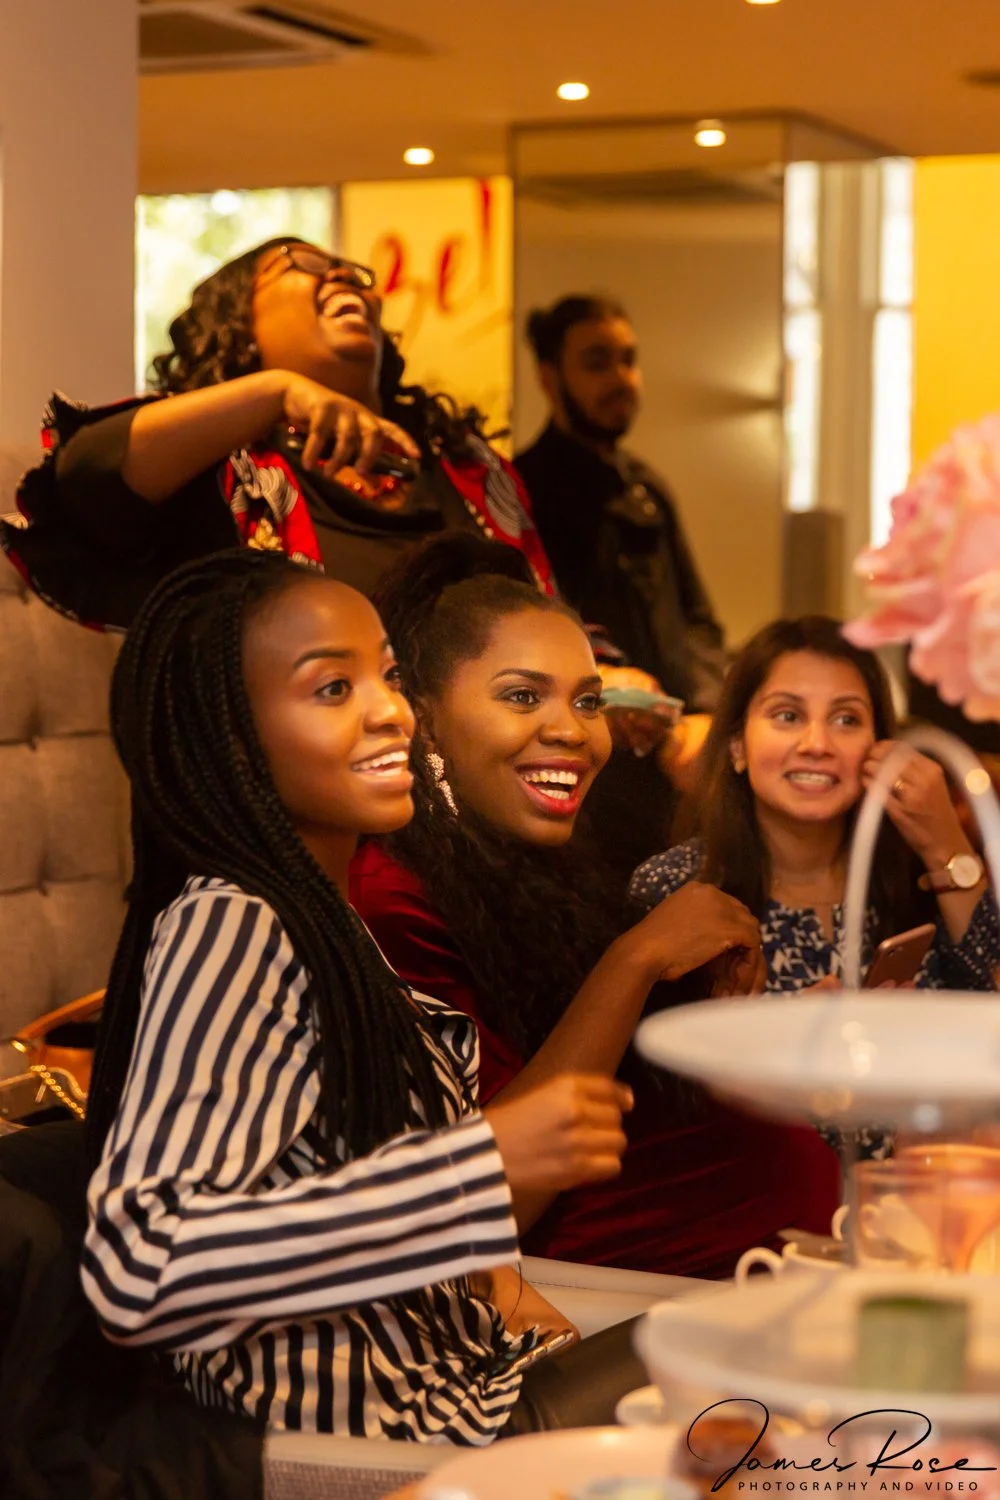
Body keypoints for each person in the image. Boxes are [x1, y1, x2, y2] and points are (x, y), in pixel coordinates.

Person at [81, 546, 646, 1442]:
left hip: (459, 1379)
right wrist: (478, 1162)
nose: (391, 712)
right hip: (379, 1438)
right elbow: (142, 1273)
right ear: (234, 735)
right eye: (332, 689)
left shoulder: (322, 915)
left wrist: (490, 1282)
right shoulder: (235, 923)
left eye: (384, 676)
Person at [351, 535, 841, 1280]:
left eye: (588, 701)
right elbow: (492, 1197)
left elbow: (617, 1084)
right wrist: (638, 957)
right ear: (422, 714)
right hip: (593, 1328)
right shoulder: (392, 898)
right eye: (522, 696)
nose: (573, 731)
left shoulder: (531, 867)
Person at [1, 238, 554, 630]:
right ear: (238, 322)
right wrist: (276, 393)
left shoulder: (469, 469)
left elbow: (549, 623)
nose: (341, 275)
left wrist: (615, 684)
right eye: (306, 262)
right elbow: (83, 473)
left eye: (355, 273)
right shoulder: (218, 472)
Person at [630, 616, 1000, 995]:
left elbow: (985, 996)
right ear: (737, 745)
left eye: (846, 719)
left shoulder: (914, 877)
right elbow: (647, 1046)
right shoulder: (675, 886)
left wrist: (945, 843)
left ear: (879, 745)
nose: (817, 744)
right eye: (788, 716)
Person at [515, 293, 726, 712]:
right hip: (583, 725)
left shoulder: (647, 488)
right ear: (549, 378)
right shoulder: (520, 490)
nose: (621, 379)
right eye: (597, 363)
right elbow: (519, 632)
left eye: (628, 360)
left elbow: (697, 621)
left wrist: (710, 709)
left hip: (675, 729)